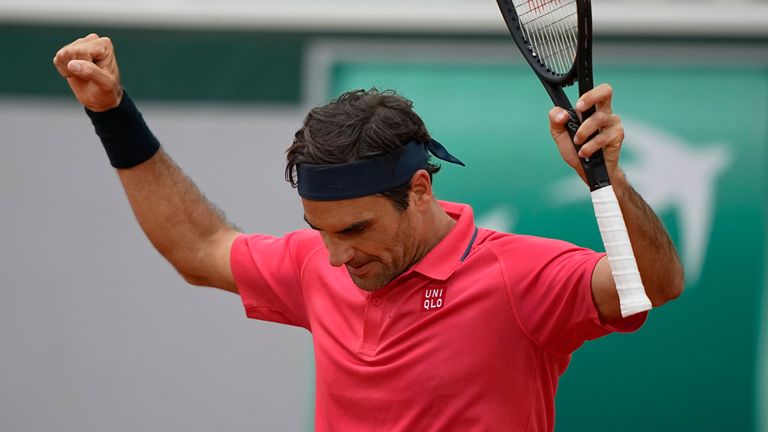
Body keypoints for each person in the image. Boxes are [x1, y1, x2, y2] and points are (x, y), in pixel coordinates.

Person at [53, 33, 684, 431]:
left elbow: (654, 286)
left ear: (419, 191)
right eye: (318, 231)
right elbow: (198, 248)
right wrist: (113, 115)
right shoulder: (316, 264)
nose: (335, 256)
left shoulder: (517, 276)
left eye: (354, 228)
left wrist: (609, 184)